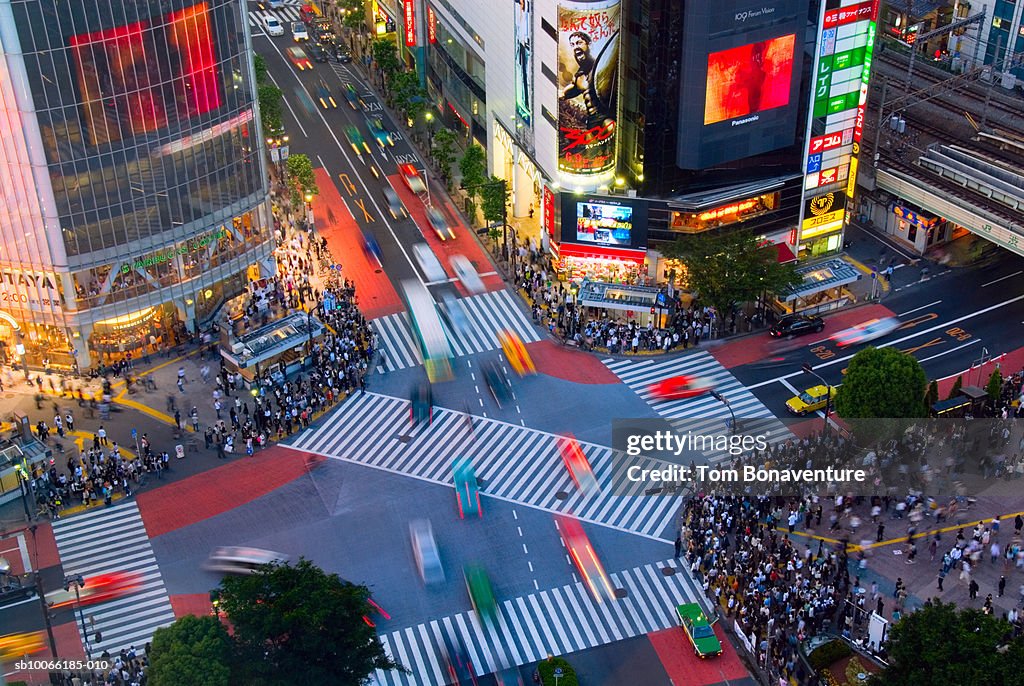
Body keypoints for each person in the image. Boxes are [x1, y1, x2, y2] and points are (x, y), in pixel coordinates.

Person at [560, 31, 617, 133]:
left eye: (579, 43)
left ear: (589, 44)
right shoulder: (579, 76)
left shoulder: (600, 68)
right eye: (572, 45)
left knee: (611, 128)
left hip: (605, 116)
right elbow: (567, 92)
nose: (575, 47)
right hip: (591, 121)